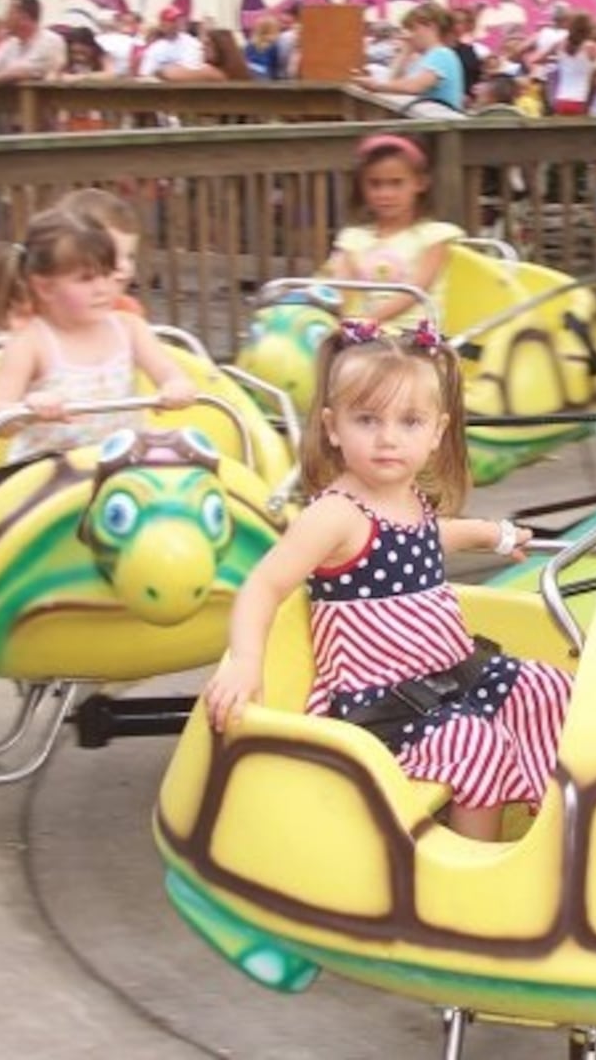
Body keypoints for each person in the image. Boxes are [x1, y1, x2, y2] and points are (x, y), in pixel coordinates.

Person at [202, 322, 574, 841]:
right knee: (475, 744)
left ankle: (551, 825)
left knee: (549, 687)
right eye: (367, 420)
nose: (388, 438)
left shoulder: (408, 497)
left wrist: (490, 534)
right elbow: (264, 585)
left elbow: (425, 538)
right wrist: (245, 661)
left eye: (410, 421)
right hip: (381, 703)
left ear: (437, 432)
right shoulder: (335, 513)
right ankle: (472, 869)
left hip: (444, 674)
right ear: (333, 428)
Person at [0, 206, 196, 461]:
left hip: (122, 462)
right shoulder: (31, 342)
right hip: (51, 469)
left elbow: (171, 374)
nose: (102, 288)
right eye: (86, 279)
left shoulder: (129, 328)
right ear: (45, 287)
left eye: (107, 274)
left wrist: (176, 387)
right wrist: (27, 410)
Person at [320, 134, 463, 326]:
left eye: (396, 183)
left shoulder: (434, 237)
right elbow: (342, 288)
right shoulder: (353, 239)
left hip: (415, 338)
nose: (385, 194)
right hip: (365, 336)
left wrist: (370, 321)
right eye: (375, 184)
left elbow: (416, 291)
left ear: (420, 183)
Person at [352, 2, 464, 115]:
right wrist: (404, 52)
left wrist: (377, 86)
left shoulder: (442, 54)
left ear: (431, 27)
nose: (409, 34)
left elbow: (417, 86)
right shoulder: (423, 58)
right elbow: (393, 81)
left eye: (413, 28)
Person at [57, 188, 147, 317]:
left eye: (130, 257)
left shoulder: (126, 310)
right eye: (113, 256)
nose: (126, 267)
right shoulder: (45, 316)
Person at [137, 7, 207, 79]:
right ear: (162, 24)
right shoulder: (155, 48)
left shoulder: (192, 42)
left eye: (177, 20)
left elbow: (193, 68)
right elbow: (145, 73)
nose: (175, 24)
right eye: (171, 21)